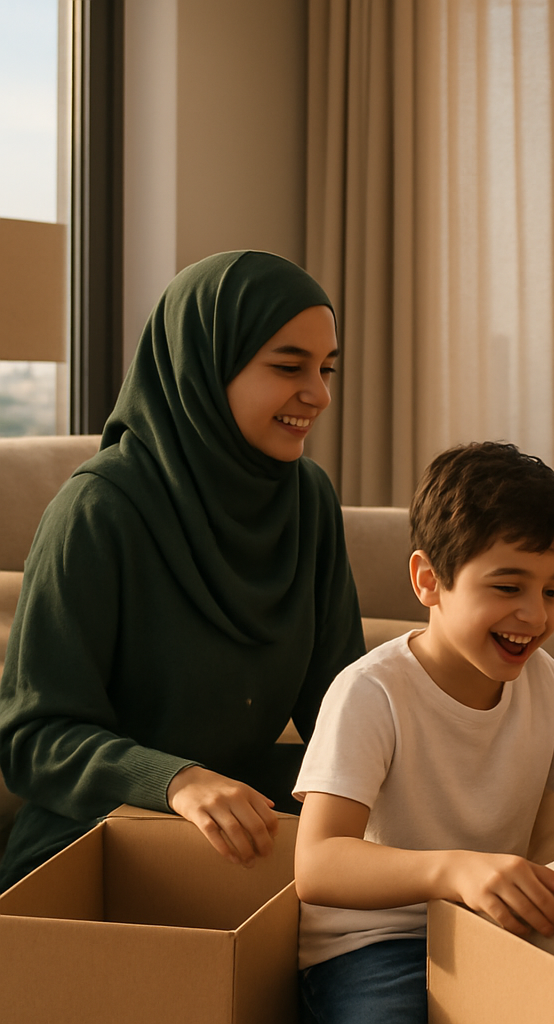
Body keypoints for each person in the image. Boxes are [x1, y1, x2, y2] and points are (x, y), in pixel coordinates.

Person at [0, 251, 365, 890]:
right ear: (205, 365)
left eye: (327, 369)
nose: (320, 394)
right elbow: (32, 739)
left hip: (242, 830)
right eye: (288, 366)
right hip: (96, 838)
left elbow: (343, 710)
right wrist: (175, 781)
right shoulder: (99, 510)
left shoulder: (309, 501)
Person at [292, 441, 554, 1024]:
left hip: (496, 929)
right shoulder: (371, 692)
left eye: (553, 590)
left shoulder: (549, 685)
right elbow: (317, 865)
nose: (536, 614)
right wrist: (453, 870)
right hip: (375, 946)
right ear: (429, 580)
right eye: (507, 587)